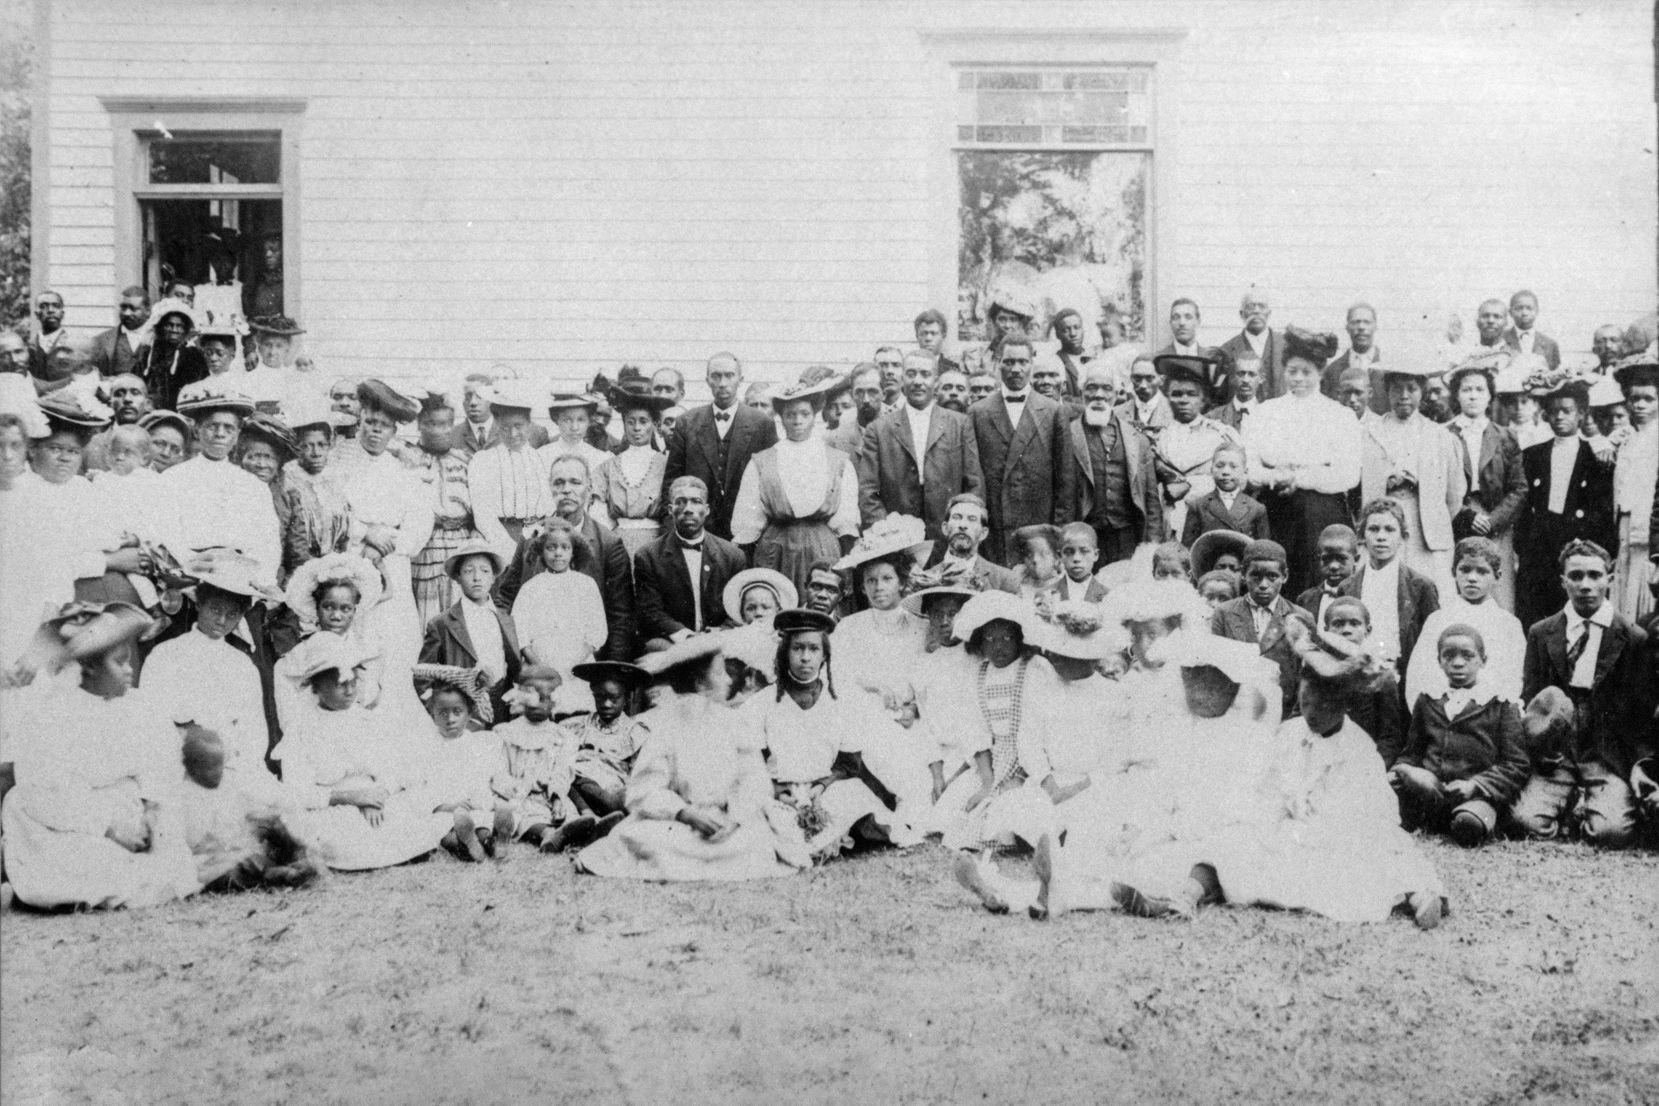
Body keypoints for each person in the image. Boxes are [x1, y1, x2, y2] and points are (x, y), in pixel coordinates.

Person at [1206, 638, 1447, 928]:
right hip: (1294, 826)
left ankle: (1422, 895)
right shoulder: (1290, 734)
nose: (1313, 714)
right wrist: (1270, 822)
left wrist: (1314, 825)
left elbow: (1363, 815)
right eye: (1307, 702)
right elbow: (1270, 790)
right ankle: (1198, 886)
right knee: (1240, 842)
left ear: (1344, 705)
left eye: (1325, 706)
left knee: (1382, 854)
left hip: (1340, 831)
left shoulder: (1357, 749)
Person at [576, 635, 802, 881]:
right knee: (644, 837)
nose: (728, 680)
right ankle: (704, 860)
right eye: (720, 672)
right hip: (679, 822)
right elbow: (645, 790)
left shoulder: (735, 723)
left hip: (727, 820)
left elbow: (753, 779)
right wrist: (684, 813)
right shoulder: (665, 726)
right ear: (700, 683)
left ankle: (702, 858)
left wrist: (736, 817)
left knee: (756, 837)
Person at [740, 609, 923, 862]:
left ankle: (837, 836)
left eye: (813, 649)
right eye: (798, 649)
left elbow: (850, 763)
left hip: (824, 790)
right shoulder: (761, 704)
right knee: (770, 824)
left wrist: (822, 785)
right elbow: (750, 763)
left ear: (825, 655)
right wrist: (776, 789)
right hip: (779, 794)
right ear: (785, 653)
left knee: (853, 795)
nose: (805, 658)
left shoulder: (840, 700)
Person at [1511, 540, 1655, 848]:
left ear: (1610, 579)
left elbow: (1640, 714)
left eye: (1594, 575)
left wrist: (1635, 765)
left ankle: (1596, 804)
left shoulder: (1632, 637)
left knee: (1611, 833)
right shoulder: (1541, 632)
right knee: (1525, 820)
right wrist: (1542, 747)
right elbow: (1532, 699)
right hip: (1558, 752)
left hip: (1605, 752)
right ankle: (1563, 801)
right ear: (1562, 581)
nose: (1585, 585)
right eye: (1576, 576)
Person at [271, 635, 451, 870]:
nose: (349, 691)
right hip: (332, 807)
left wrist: (376, 796)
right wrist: (353, 798)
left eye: (353, 682)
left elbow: (394, 768)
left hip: (375, 800)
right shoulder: (302, 728)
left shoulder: (367, 719)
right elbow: (297, 791)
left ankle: (422, 838)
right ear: (316, 686)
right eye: (339, 684)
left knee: (415, 800)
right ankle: (388, 849)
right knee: (332, 835)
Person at [929, 593, 1062, 910]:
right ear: (979, 641)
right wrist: (987, 780)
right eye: (989, 638)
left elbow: (1034, 732)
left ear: (1020, 638)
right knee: (963, 806)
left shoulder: (1034, 669)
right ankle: (980, 865)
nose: (998, 646)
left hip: (1032, 757)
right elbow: (975, 731)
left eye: (1006, 637)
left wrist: (1018, 776)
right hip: (993, 757)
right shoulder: (977, 673)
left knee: (1012, 809)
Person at [1243, 326, 1362, 595]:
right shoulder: (1265, 413)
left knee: (1318, 579)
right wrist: (1274, 477)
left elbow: (1348, 474)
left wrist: (1301, 479)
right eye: (1292, 371)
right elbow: (1249, 463)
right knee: (1276, 576)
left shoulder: (1339, 416)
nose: (1298, 379)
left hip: (1321, 510)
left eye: (1306, 372)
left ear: (1320, 373)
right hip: (1275, 508)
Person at [1390, 624, 1530, 847]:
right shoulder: (1428, 700)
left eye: (1468, 656)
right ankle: (1424, 815)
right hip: (1429, 791)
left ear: (1483, 660)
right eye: (1449, 656)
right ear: (1439, 661)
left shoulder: (1501, 703)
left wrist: (1476, 784)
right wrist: (1402, 771)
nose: (1457, 663)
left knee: (1469, 825)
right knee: (1384, 799)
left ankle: (1468, 819)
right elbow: (1411, 753)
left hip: (1476, 796)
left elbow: (1516, 764)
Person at [334, 380, 433, 690]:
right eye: (370, 423)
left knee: (393, 643)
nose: (375, 431)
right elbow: (334, 512)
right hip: (351, 560)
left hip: (393, 569)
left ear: (394, 431)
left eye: (384, 426)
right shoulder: (339, 465)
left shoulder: (405, 472)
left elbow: (418, 529)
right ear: (360, 422)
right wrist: (365, 534)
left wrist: (385, 546)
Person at [142, 560, 280, 778]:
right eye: (215, 609)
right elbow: (152, 722)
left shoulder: (242, 665)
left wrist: (234, 763)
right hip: (179, 767)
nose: (222, 620)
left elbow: (254, 731)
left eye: (232, 614)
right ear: (199, 604)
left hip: (231, 768)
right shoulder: (166, 654)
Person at [492, 454, 635, 661]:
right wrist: (516, 657)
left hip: (585, 662)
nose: (566, 489)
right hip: (535, 660)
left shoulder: (609, 543)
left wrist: (609, 673)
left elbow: (621, 616)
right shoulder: (532, 537)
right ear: (550, 487)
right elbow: (505, 598)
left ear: (589, 486)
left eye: (575, 482)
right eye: (559, 483)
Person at [729, 378, 861, 596]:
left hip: (823, 549)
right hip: (776, 550)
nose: (798, 421)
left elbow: (846, 520)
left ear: (814, 415)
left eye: (804, 414)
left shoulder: (838, 460)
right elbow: (748, 523)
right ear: (781, 417)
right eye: (790, 415)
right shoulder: (762, 461)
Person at [1514, 372, 1617, 631]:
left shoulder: (1596, 458)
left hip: (1577, 547)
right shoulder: (1532, 455)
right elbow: (1524, 507)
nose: (1559, 417)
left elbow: (1602, 512)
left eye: (1567, 411)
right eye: (1554, 411)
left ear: (1581, 414)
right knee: (1536, 617)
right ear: (1546, 414)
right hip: (1539, 550)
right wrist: (1525, 544)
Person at [1359, 364, 1467, 595]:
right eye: (1397, 389)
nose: (1404, 396)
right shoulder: (1368, 433)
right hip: (1382, 524)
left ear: (1422, 391)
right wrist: (1384, 483)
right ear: (1387, 391)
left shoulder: (1439, 436)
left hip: (1424, 527)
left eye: (1412, 389)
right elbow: (1356, 486)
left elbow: (1455, 496)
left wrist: (1424, 492)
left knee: (1426, 592)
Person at [856, 348, 984, 542]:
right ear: (902, 379)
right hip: (896, 538)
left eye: (925, 374)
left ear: (936, 381)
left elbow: (974, 483)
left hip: (948, 535)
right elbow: (868, 492)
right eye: (911, 374)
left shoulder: (959, 424)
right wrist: (887, 535)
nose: (917, 381)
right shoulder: (879, 429)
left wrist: (963, 528)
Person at [965, 337, 1074, 563]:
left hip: (1040, 528)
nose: (1016, 369)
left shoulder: (1053, 412)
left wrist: (1058, 532)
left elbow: (1065, 480)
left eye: (1022, 362)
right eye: (1009, 362)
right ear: (997, 363)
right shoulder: (978, 413)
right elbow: (973, 476)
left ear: (1031, 363)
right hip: (994, 529)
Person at [163, 380, 282, 585]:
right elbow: (166, 532)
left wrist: (258, 580)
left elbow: (268, 543)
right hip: (189, 574)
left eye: (228, 428)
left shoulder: (253, 486)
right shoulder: (173, 478)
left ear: (237, 435)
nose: (219, 434)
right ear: (198, 430)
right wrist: (190, 564)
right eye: (212, 426)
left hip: (239, 577)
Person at [663, 352, 779, 541]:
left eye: (729, 375)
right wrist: (672, 530)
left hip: (746, 531)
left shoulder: (762, 424)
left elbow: (772, 482)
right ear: (707, 380)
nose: (722, 383)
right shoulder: (687, 422)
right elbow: (672, 482)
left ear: (740, 379)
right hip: (697, 529)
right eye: (716, 376)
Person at [489, 664, 601, 852]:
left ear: (554, 702)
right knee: (524, 815)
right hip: (518, 794)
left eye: (545, 698)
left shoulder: (562, 736)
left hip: (549, 795)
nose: (538, 704)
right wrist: (521, 787)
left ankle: (581, 832)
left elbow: (563, 771)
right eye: (532, 698)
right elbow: (498, 773)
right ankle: (547, 834)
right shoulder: (505, 733)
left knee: (565, 812)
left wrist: (556, 796)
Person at [1446, 353, 1527, 611]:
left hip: (1496, 524)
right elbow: (1438, 486)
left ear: (1490, 396)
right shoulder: (1442, 434)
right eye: (1466, 389)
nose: (1473, 395)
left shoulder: (1505, 437)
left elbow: (1518, 488)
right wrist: (1463, 515)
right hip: (1456, 519)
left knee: (1498, 593)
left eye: (1480, 389)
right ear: (1456, 395)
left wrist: (1492, 522)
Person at [1405, 537, 1526, 707]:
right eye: (1465, 570)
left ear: (1497, 576)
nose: (1472, 578)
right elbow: (1421, 672)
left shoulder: (1508, 624)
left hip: (1488, 716)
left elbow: (1513, 678)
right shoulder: (1438, 620)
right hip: (1442, 715)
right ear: (1454, 572)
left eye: (1482, 571)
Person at [832, 515, 931, 718]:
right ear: (862, 586)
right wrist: (873, 689)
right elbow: (839, 678)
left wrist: (913, 709)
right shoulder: (848, 628)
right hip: (863, 718)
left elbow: (930, 683)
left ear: (902, 582)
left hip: (910, 719)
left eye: (887, 579)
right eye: (871, 581)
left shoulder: (921, 627)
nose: (878, 587)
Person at [634, 475, 749, 648]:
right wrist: (688, 639)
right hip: (672, 642)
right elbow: (651, 612)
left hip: (718, 641)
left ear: (707, 509)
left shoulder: (733, 556)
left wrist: (717, 634)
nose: (688, 509)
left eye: (696, 501)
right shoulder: (648, 556)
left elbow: (739, 609)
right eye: (680, 502)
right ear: (670, 509)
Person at [510, 519, 608, 716]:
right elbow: (519, 633)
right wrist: (539, 666)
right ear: (541, 550)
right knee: (542, 711)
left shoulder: (586, 585)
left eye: (565, 547)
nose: (558, 553)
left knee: (575, 716)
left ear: (574, 551)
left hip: (576, 667)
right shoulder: (531, 588)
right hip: (541, 664)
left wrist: (576, 664)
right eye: (551, 547)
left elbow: (597, 631)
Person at [1069, 362, 1163, 566]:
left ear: (1118, 393)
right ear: (1081, 391)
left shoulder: (1137, 438)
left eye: (1107, 388)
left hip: (1127, 536)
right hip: (1083, 537)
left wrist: (1151, 546)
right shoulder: (1068, 435)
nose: (1099, 395)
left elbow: (1151, 498)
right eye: (1091, 387)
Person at [419, 539, 521, 726]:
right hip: (463, 710)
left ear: (493, 577)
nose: (477, 578)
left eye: (484, 571)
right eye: (468, 571)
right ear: (457, 577)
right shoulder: (442, 623)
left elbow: (514, 665)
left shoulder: (505, 619)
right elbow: (423, 676)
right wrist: (440, 710)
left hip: (502, 706)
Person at [1337, 497, 1440, 675]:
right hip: (1360, 676)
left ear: (1403, 537)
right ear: (1362, 536)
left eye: (1390, 530)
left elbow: (1433, 641)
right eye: (1374, 529)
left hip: (1404, 675)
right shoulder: (1347, 587)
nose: (1381, 537)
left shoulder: (1421, 586)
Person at [407, 388, 482, 628]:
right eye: (431, 424)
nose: (439, 430)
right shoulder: (408, 460)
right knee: (425, 618)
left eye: (445, 424)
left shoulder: (465, 460)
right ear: (420, 424)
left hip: (460, 545)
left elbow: (479, 509)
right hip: (424, 548)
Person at [1210, 540, 1311, 719]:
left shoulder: (1300, 617)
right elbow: (1214, 671)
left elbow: (1306, 679)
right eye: (1256, 576)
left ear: (1285, 576)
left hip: (1283, 716)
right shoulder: (1224, 613)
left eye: (1272, 576)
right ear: (1243, 574)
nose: (1263, 584)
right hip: (1234, 715)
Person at [409, 665, 500, 862]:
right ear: (432, 714)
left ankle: (488, 841)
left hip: (469, 805)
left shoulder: (476, 744)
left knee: (483, 820)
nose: (450, 719)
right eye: (442, 713)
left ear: (469, 714)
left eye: (457, 712)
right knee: (441, 831)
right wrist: (443, 805)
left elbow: (481, 779)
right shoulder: (426, 746)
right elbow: (419, 783)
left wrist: (474, 802)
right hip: (443, 807)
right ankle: (463, 844)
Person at [466, 380, 556, 553]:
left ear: (529, 424)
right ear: (497, 425)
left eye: (518, 426)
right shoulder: (483, 461)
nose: (513, 434)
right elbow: (483, 514)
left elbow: (550, 508)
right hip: (501, 539)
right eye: (505, 427)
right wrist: (507, 548)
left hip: (539, 539)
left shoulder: (543, 459)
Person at [1319, 596, 1407, 765]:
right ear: (1326, 630)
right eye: (1338, 624)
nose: (1346, 630)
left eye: (1354, 623)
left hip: (1364, 763)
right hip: (1321, 759)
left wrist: (1374, 769)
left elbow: (1389, 737)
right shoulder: (1316, 672)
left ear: (1368, 630)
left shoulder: (1381, 676)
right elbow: (1300, 720)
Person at [592, 379, 672, 559]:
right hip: (618, 543)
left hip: (657, 543)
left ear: (654, 424)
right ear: (624, 424)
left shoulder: (666, 464)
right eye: (631, 422)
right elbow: (600, 517)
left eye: (643, 421)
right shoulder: (608, 466)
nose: (637, 428)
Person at [567, 660, 652, 820]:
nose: (606, 704)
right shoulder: (578, 726)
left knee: (612, 800)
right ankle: (586, 815)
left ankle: (601, 816)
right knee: (567, 778)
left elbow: (639, 773)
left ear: (626, 698)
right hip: (575, 785)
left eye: (614, 698)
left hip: (611, 790)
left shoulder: (635, 733)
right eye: (600, 697)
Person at [1610, 356, 1659, 624]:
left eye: (1648, 399)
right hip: (1624, 526)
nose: (1640, 405)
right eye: (1634, 398)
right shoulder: (1626, 439)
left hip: (1649, 531)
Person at [913, 493, 1021, 594]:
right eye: (957, 517)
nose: (963, 525)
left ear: (983, 533)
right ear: (945, 528)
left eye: (972, 519)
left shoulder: (1004, 580)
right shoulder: (926, 579)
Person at [1180, 441, 1267, 546]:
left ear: (1245, 472)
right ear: (1211, 470)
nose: (1226, 471)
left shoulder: (1256, 509)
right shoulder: (1198, 506)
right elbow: (1188, 551)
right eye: (1220, 466)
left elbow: (1264, 552)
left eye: (1233, 466)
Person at [133, 299, 208, 412]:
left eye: (179, 326)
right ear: (160, 327)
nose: (174, 330)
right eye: (169, 325)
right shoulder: (147, 354)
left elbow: (199, 390)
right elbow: (134, 382)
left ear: (185, 330)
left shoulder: (193, 356)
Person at [1217, 289, 1284, 401]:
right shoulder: (1226, 350)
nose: (1256, 311)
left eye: (1261, 306)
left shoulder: (1286, 346)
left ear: (1269, 313)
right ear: (1242, 314)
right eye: (1250, 306)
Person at [1320, 303, 1386, 414]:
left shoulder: (1386, 369)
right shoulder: (1332, 370)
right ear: (1347, 327)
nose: (1361, 327)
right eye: (1355, 322)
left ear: (1375, 326)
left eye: (1367, 322)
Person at [539, 393, 613, 477]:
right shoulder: (541, 456)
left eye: (581, 420)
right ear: (557, 420)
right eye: (567, 420)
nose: (574, 427)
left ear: (589, 421)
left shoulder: (600, 458)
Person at [90, 286, 151, 378]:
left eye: (133, 308)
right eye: (123, 308)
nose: (127, 313)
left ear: (148, 311)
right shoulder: (101, 341)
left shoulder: (158, 339)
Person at [825, 363, 883, 457]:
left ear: (884, 394)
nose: (866, 400)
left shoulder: (897, 434)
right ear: (852, 395)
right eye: (859, 392)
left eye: (872, 391)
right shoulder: (836, 439)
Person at [1050, 522, 1107, 603]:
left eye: (1084, 551)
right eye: (1069, 552)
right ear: (1060, 556)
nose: (1076, 558)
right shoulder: (1046, 595)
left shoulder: (1109, 597)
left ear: (1095, 555)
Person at [1206, 350, 1263, 432]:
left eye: (1252, 374)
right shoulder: (1211, 417)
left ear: (1261, 378)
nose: (1246, 380)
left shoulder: (1270, 416)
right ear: (1232, 377)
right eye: (1241, 374)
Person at [1504, 290, 1561, 370]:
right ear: (1510, 312)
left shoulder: (1550, 345)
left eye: (1529, 308)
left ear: (1537, 311)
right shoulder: (1500, 340)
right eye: (1519, 308)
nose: (1524, 313)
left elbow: (1555, 376)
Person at [1119, 355, 1172, 432]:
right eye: (1137, 378)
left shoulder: (1176, 413)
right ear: (1131, 378)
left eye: (1149, 378)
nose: (1143, 385)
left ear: (1162, 380)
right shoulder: (1117, 413)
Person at [913, 308, 959, 373]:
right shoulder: (910, 367)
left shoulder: (953, 369)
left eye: (933, 333)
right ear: (917, 337)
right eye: (924, 333)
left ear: (943, 336)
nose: (928, 338)